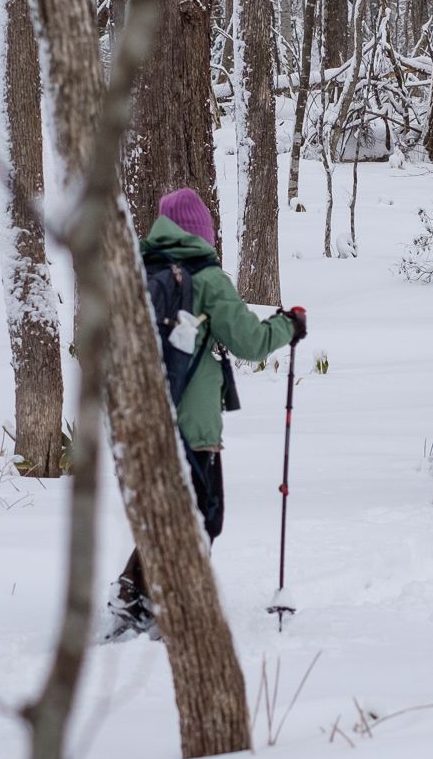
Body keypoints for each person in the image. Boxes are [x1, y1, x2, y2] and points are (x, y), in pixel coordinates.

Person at [108, 188, 307, 639]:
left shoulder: (138, 268)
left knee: (169, 510)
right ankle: (172, 604)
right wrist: (288, 326)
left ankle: (134, 598)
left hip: (138, 417)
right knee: (203, 514)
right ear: (201, 233)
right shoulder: (206, 277)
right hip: (192, 423)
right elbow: (250, 342)